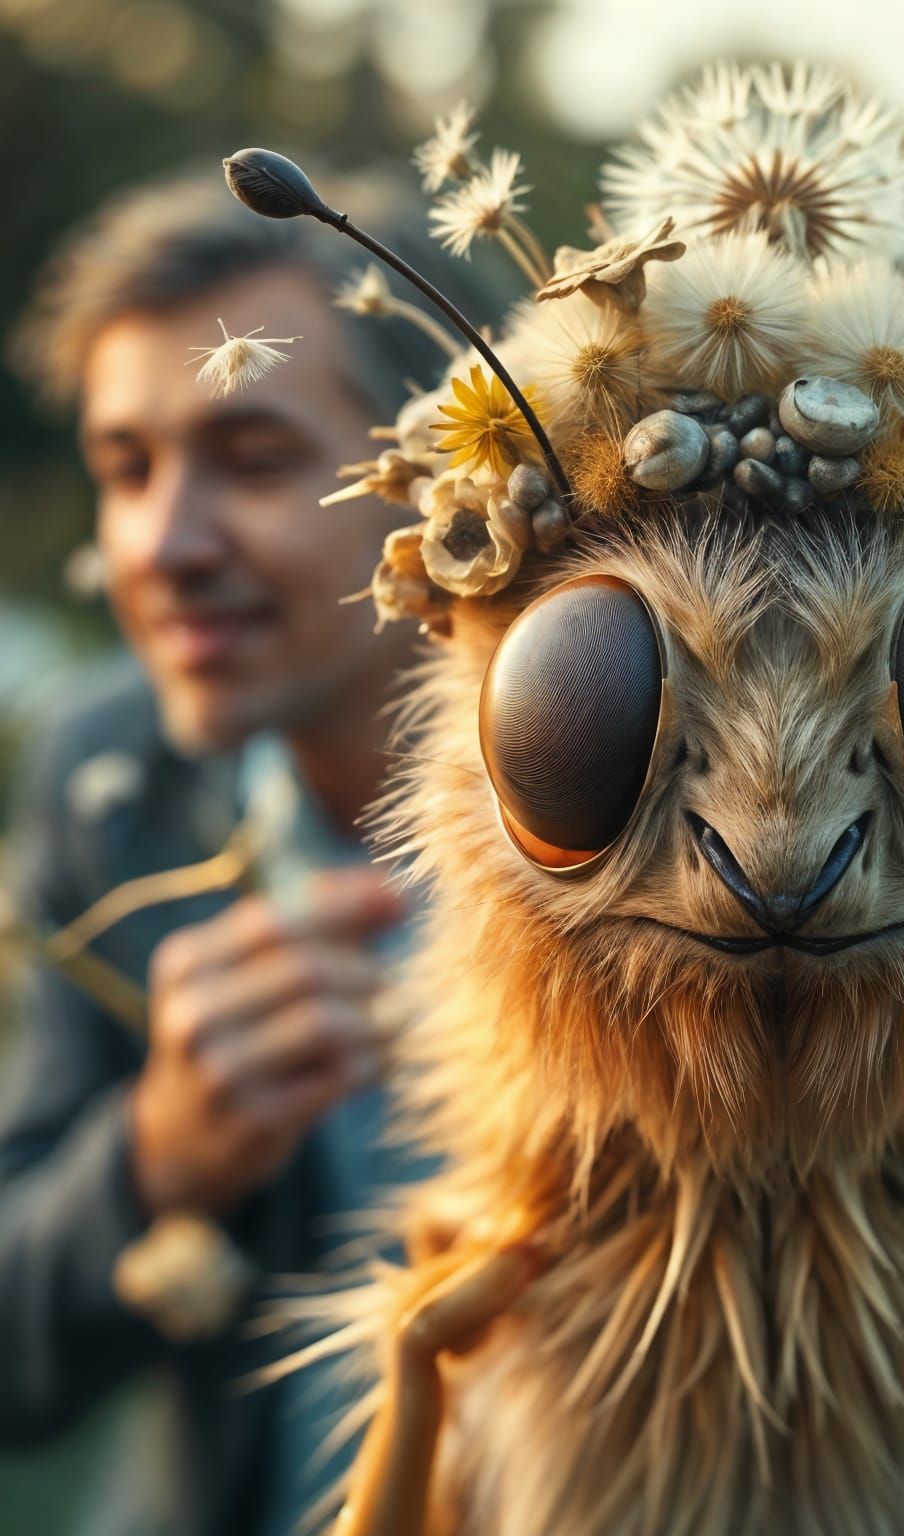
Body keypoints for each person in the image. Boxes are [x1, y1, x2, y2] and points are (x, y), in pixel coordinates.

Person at [0, 169, 476, 1535]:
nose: (165, 544)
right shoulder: (109, 787)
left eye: (256, 460)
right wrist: (155, 1156)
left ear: (455, 478)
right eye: (125, 470)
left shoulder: (666, 809)